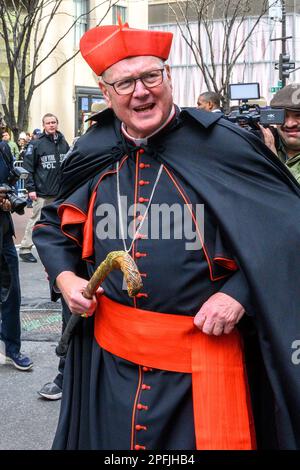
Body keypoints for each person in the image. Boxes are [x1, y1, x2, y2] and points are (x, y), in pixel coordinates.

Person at [33, 22, 300, 450]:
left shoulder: (226, 145)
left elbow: (288, 229)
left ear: (169, 77)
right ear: (106, 92)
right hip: (110, 366)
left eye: (150, 76)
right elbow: (50, 226)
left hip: (206, 364)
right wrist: (67, 280)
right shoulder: (92, 150)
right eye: (125, 83)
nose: (140, 91)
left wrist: (240, 293)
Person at [0, 141, 33, 371]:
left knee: (12, 295)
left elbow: (8, 186)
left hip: (4, 236)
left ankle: (12, 349)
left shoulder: (2, 148)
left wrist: (7, 200)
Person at [19, 114, 69, 263]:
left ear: (57, 123)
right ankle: (25, 249)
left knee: (58, 220)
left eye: (53, 122)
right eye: (48, 123)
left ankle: (56, 247)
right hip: (41, 192)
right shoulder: (36, 144)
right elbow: (27, 169)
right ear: (43, 125)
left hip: (59, 191)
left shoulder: (63, 142)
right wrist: (31, 189)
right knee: (36, 219)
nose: (51, 125)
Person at [260, 83, 300, 183]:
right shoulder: (262, 144)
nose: (290, 124)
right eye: (283, 116)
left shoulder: (270, 150)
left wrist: (273, 160)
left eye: (298, 115)